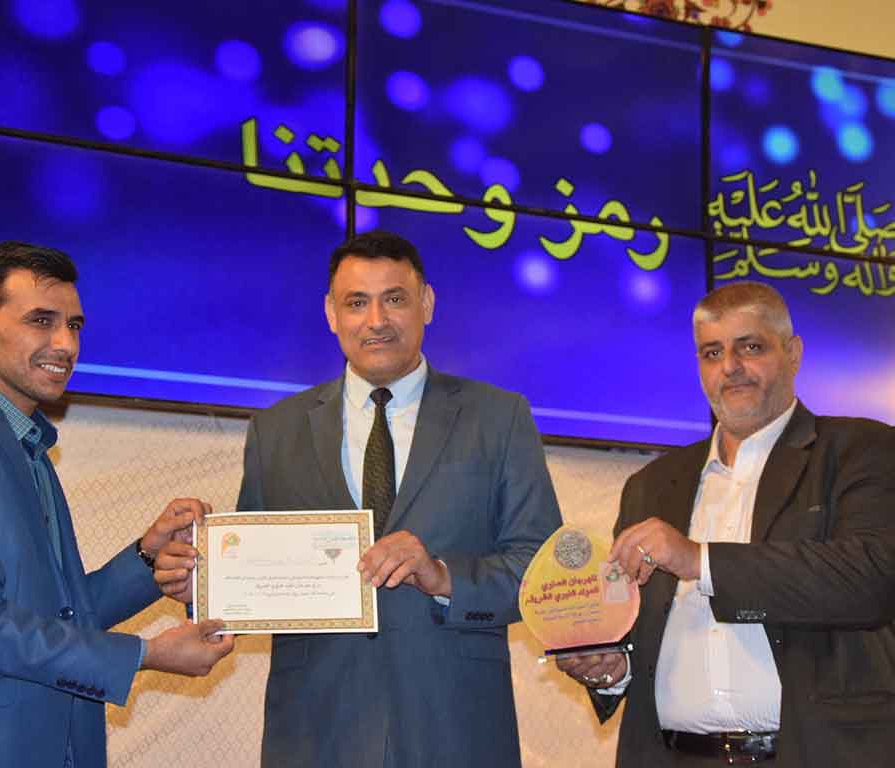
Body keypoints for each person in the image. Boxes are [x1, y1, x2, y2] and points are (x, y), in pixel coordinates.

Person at [156, 230, 560, 767]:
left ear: (427, 303)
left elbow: (543, 573)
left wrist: (443, 575)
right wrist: (203, 586)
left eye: (394, 299)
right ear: (331, 312)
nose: (376, 320)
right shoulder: (276, 430)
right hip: (316, 731)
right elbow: (255, 573)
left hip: (456, 726)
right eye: (356, 303)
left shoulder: (498, 418)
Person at [0, 241, 234, 768]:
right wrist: (145, 655)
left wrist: (146, 559)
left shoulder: (28, 446)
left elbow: (57, 617)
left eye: (74, 326)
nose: (65, 343)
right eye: (41, 321)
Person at [557, 281, 895, 766]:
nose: (730, 367)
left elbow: (871, 579)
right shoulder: (652, 485)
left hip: (815, 753)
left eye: (750, 347)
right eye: (712, 353)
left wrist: (700, 559)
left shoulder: (860, 450)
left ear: (793, 354)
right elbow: (637, 624)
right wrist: (614, 668)